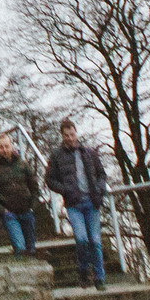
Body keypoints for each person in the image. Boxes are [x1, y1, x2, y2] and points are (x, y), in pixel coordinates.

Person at [45, 121, 109, 286]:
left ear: (76, 133)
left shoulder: (89, 153)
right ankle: (82, 269)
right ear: (62, 136)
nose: (70, 138)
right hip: (74, 204)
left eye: (72, 134)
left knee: (95, 240)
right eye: (66, 135)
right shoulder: (57, 155)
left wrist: (99, 188)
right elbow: (49, 179)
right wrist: (65, 190)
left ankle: (99, 278)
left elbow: (102, 174)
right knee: (81, 239)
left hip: (91, 201)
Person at [0, 132, 40, 254]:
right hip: (10, 214)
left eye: (7, 146)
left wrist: (33, 207)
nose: (4, 150)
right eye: (1, 147)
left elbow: (34, 187)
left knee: (31, 250)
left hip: (27, 211)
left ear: (12, 146)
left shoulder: (23, 164)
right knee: (20, 248)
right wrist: (2, 211)